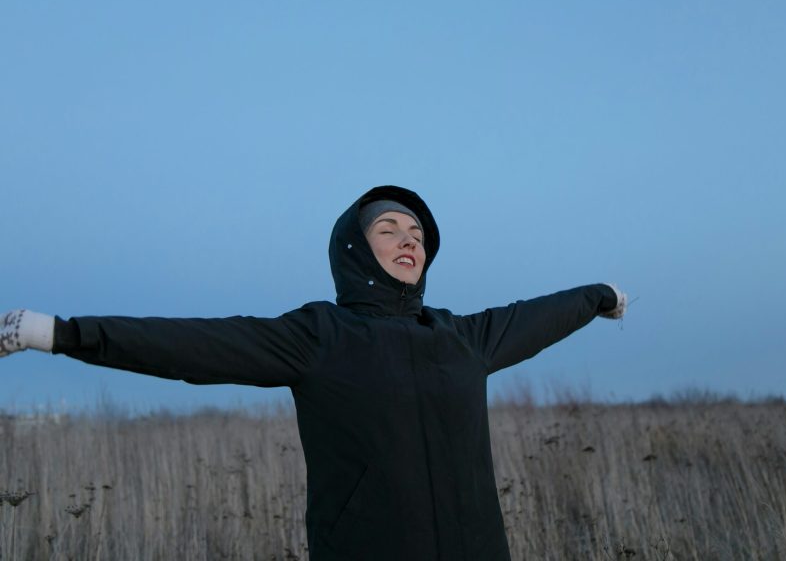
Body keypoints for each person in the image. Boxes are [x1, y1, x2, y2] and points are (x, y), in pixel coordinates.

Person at [1, 185, 626, 560]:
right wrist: (59, 333)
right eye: (389, 228)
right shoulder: (319, 335)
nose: (409, 239)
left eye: (417, 232)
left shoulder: (461, 337)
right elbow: (194, 345)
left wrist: (597, 295)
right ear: (356, 249)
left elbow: (537, 315)